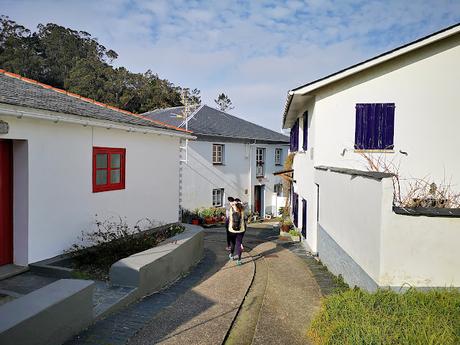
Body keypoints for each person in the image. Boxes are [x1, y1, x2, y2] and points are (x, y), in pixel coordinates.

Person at [228, 200, 246, 266]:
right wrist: (240, 203)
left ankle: (231, 255)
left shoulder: (231, 209)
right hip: (241, 230)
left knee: (233, 243)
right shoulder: (242, 210)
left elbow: (228, 205)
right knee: (239, 244)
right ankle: (239, 260)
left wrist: (233, 203)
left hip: (232, 230)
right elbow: (245, 203)